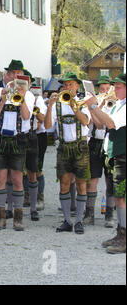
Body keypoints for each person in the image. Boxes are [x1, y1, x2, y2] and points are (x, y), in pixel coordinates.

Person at [0, 64, 35, 231]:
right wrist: (2, 100)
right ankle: (0, 217)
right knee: (0, 179)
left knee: (17, 179)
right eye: (12, 73)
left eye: (18, 74)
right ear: (6, 75)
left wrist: (21, 98)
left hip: (18, 138)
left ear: (22, 76)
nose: (15, 76)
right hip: (0, 138)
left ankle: (18, 217)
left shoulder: (28, 94)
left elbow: (27, 116)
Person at [45, 72, 91, 234]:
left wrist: (73, 106)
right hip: (64, 147)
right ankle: (67, 220)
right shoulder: (58, 104)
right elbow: (48, 127)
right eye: (65, 85)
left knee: (81, 184)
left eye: (70, 84)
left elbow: (85, 121)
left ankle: (79, 220)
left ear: (77, 86)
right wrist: (50, 105)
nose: (67, 87)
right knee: (64, 183)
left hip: (80, 146)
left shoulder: (82, 103)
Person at [85, 73, 126, 254]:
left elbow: (110, 124)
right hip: (115, 153)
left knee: (122, 197)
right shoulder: (118, 105)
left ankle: (124, 237)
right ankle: (120, 232)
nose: (113, 90)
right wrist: (94, 108)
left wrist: (93, 105)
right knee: (118, 196)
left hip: (123, 154)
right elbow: (100, 124)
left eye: (118, 87)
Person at [83, 75, 114, 227]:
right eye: (102, 89)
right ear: (97, 90)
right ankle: (89, 214)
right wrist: (97, 105)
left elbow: (108, 123)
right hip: (95, 143)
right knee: (93, 179)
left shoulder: (115, 105)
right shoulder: (93, 104)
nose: (105, 91)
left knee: (110, 181)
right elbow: (97, 124)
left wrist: (101, 106)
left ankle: (109, 215)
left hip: (109, 144)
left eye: (108, 89)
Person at [21, 71, 47, 221]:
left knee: (36, 169)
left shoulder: (37, 99)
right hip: (24, 134)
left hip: (37, 136)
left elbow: (43, 119)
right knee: (22, 168)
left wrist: (35, 111)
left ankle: (39, 197)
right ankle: (26, 195)